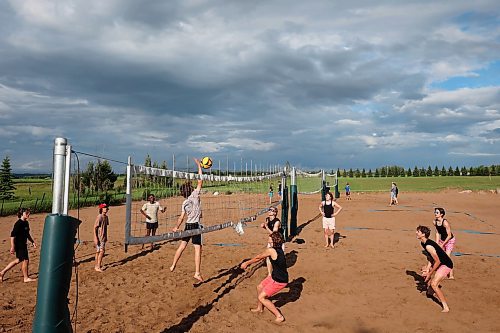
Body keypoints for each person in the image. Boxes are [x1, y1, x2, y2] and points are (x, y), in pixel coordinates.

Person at [241, 231, 288, 323]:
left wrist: (247, 263)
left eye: (270, 240)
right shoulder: (279, 248)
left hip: (279, 280)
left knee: (262, 297)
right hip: (275, 276)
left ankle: (279, 316)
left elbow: (258, 257)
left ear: (274, 241)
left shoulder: (271, 250)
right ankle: (260, 308)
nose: (268, 241)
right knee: (259, 287)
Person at [170, 158, 205, 282]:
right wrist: (199, 166)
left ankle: (173, 265)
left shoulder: (184, 202)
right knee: (198, 249)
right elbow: (200, 180)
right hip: (196, 226)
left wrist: (176, 227)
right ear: (190, 190)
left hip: (187, 225)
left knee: (182, 246)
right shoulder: (195, 195)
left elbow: (181, 217)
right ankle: (197, 272)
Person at [416, 225, 453, 313]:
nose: (416, 233)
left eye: (418, 232)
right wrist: (428, 268)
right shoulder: (423, 243)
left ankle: (445, 307)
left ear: (423, 234)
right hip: (440, 263)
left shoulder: (428, 246)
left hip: (446, 264)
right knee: (424, 270)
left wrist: (430, 273)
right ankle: (430, 291)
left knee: (434, 284)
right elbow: (431, 258)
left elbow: (437, 261)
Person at [0, 208, 37, 282]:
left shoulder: (26, 223)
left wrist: (32, 242)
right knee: (25, 260)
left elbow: (27, 234)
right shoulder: (18, 224)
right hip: (19, 245)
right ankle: (26, 278)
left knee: (18, 260)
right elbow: (12, 235)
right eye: (26, 213)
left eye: (28, 213)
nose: (28, 214)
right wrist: (12, 246)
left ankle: (2, 272)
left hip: (23, 244)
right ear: (22, 214)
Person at [433, 208, 456, 279]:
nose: (435, 214)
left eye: (437, 212)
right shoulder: (435, 222)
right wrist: (437, 244)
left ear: (441, 214)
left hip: (450, 240)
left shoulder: (445, 223)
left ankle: (451, 275)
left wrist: (442, 245)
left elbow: (449, 236)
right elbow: (437, 233)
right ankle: (441, 270)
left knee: (447, 256)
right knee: (438, 255)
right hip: (442, 240)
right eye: (435, 212)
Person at [260, 206, 283, 275]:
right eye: (269, 210)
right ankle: (270, 274)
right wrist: (264, 226)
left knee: (278, 259)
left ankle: (279, 273)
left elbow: (274, 234)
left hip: (278, 241)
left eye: (271, 210)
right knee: (268, 256)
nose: (269, 211)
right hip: (271, 240)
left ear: (275, 213)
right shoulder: (267, 219)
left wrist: (266, 227)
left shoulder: (277, 222)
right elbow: (269, 231)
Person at [94, 203, 109, 272]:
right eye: (104, 207)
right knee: (101, 251)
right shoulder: (99, 217)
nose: (106, 208)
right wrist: (95, 237)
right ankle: (98, 266)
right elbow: (95, 228)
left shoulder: (106, 217)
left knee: (98, 251)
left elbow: (105, 227)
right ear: (101, 209)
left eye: (106, 207)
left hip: (103, 237)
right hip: (100, 237)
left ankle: (96, 265)